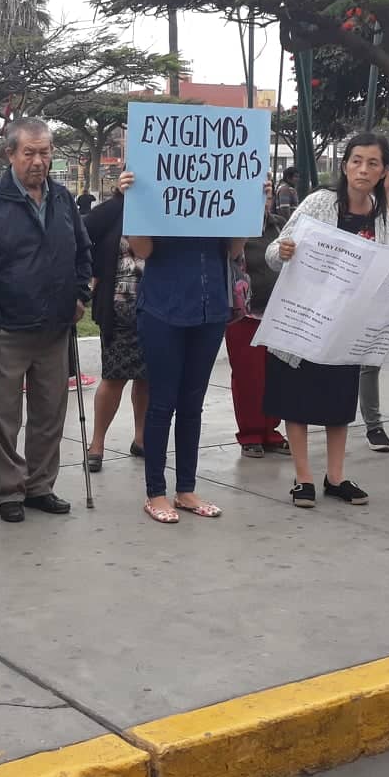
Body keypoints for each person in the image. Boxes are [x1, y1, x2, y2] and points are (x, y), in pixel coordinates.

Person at [0, 117, 92, 523]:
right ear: (10, 154)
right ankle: (10, 491)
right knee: (4, 418)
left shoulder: (62, 198)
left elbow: (82, 250)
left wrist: (79, 294)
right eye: (29, 153)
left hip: (55, 326)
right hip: (6, 328)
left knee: (50, 413)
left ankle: (41, 486)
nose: (39, 161)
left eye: (45, 152)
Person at [266, 134, 389, 507]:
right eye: (356, 161)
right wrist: (284, 251)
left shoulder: (380, 212)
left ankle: (336, 477)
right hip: (305, 318)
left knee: (339, 402)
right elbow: (276, 251)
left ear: (383, 171)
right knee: (298, 400)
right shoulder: (320, 201)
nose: (363, 169)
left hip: (345, 326)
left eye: (373, 163)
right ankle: (303, 478)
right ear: (344, 165)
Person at [117, 171, 241, 523]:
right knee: (162, 403)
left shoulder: (222, 194)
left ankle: (186, 489)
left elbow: (234, 249)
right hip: (163, 309)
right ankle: (155, 492)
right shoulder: (158, 194)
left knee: (192, 404)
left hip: (210, 308)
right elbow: (143, 250)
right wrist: (135, 205)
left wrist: (250, 204)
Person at [83, 187, 148, 471]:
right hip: (119, 310)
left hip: (156, 308)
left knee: (148, 379)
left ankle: (142, 438)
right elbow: (81, 235)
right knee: (114, 378)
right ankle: (97, 444)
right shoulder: (113, 210)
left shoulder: (165, 207)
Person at [226, 178, 289, 459]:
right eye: (257, 191)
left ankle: (270, 431)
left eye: (267, 191)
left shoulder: (279, 224)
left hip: (277, 313)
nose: (264, 196)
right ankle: (250, 433)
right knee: (248, 377)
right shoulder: (233, 224)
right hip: (245, 314)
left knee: (275, 376)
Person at [360, 150, 389, 454]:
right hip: (363, 296)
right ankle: (373, 424)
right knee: (368, 363)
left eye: (384, 169)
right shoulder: (363, 209)